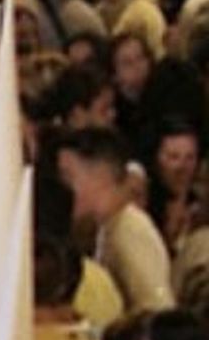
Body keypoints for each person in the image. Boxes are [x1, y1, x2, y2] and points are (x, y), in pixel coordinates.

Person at [59, 128, 176, 314]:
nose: (62, 189)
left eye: (68, 177)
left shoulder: (130, 230)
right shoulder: (110, 228)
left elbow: (158, 311)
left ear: (99, 176)